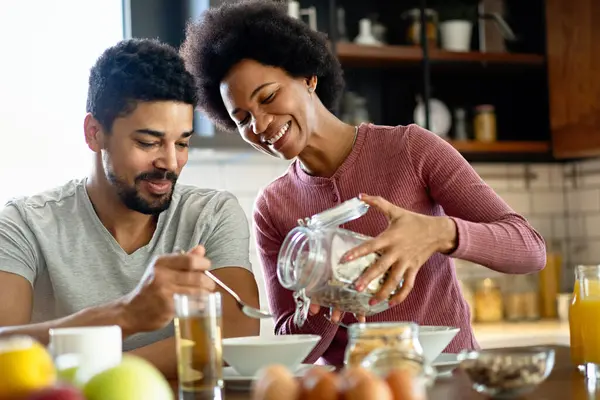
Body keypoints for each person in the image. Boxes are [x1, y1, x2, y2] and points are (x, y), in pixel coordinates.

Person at [180, 0, 547, 366]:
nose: (259, 126)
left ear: (308, 76)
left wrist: (439, 233)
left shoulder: (410, 149)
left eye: (269, 96)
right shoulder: (274, 206)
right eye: (242, 119)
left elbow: (530, 249)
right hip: (352, 388)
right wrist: (321, 303)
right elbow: (290, 343)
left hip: (447, 377)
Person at [0, 38, 260, 377]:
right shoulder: (24, 223)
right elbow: (4, 348)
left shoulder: (210, 214)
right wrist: (126, 315)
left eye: (182, 142)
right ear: (95, 133)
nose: (170, 162)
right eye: (148, 142)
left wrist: (104, 374)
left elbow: (237, 332)